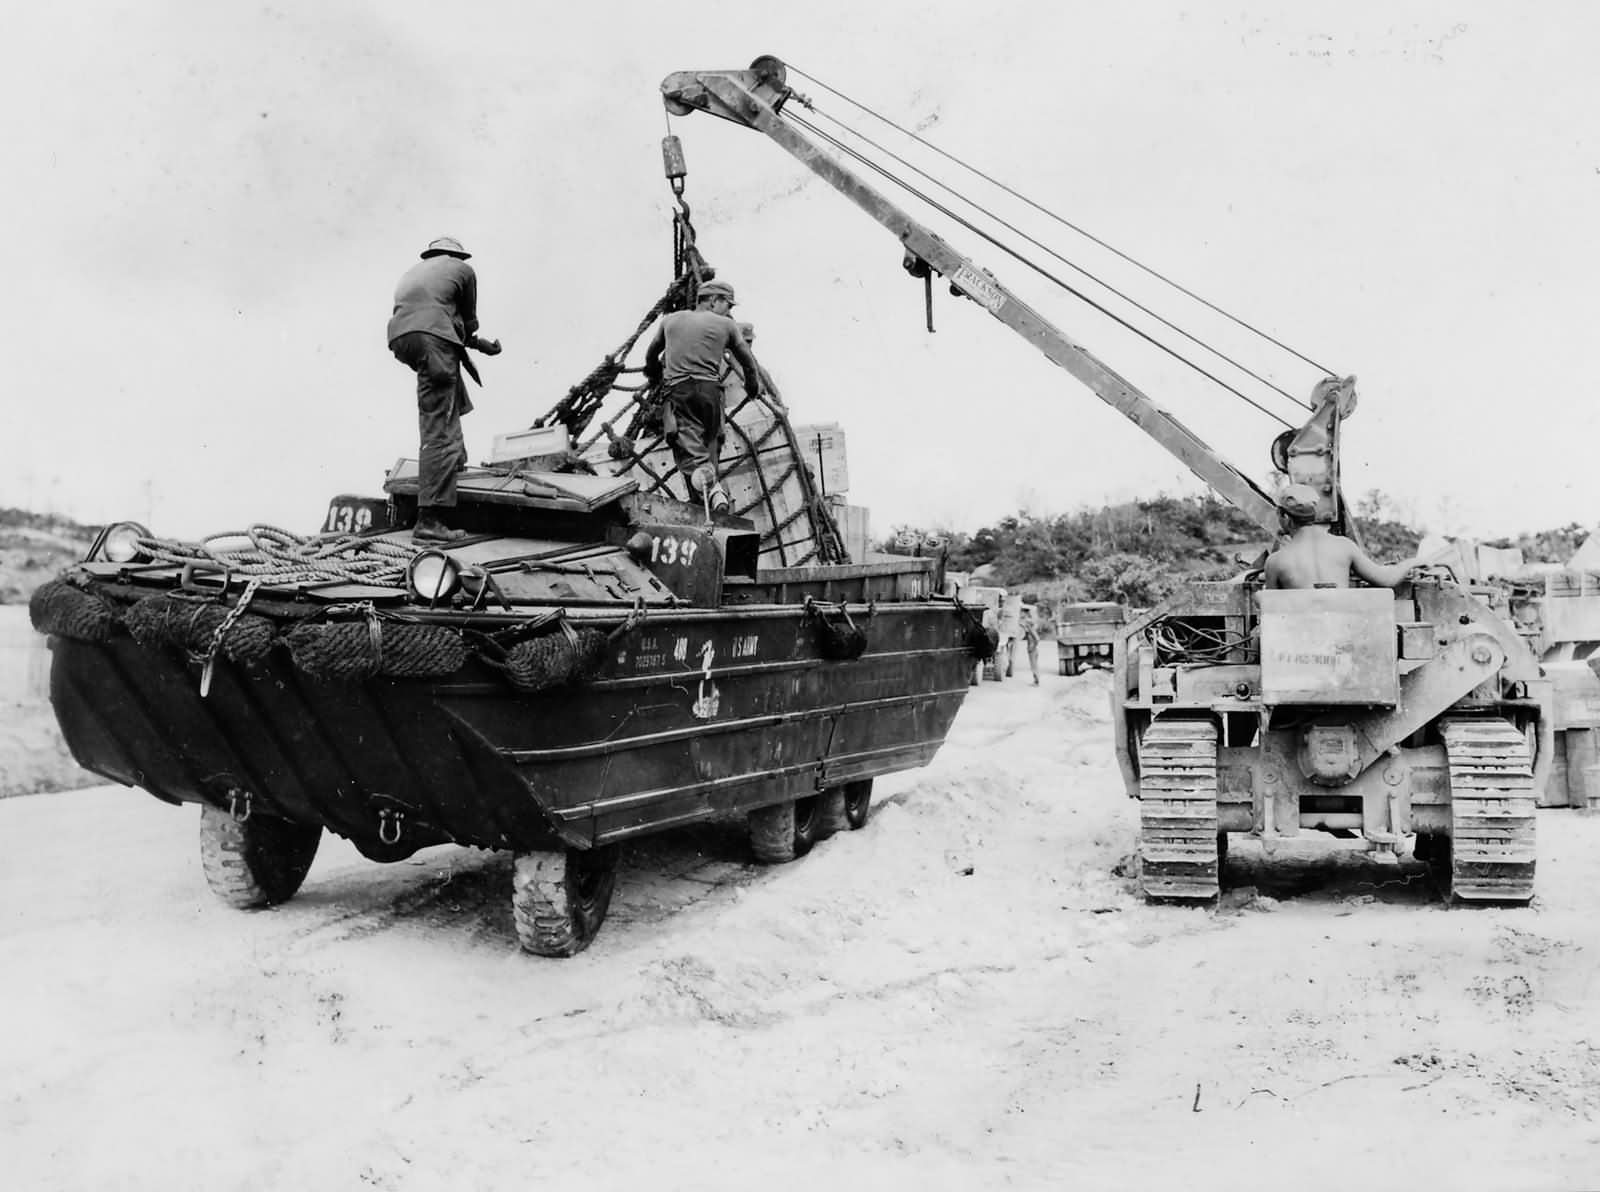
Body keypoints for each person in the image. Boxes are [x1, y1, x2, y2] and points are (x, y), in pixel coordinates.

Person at [387, 236, 502, 544]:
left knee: (445, 395)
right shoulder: (462, 270)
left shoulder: (414, 273)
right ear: (456, 255)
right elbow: (467, 324)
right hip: (434, 339)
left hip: (403, 340)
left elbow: (444, 325)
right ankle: (431, 520)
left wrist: (475, 345)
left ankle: (457, 462)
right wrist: (484, 344)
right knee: (439, 427)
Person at [643, 279, 760, 513]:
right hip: (711, 392)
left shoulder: (669, 321)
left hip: (679, 392)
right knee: (712, 443)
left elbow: (651, 354)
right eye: (728, 305)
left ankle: (710, 493)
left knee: (686, 445)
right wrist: (753, 387)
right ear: (714, 301)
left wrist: (655, 373)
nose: (730, 311)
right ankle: (711, 498)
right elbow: (748, 362)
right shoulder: (727, 326)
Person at [1264, 484, 1422, 589]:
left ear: (1284, 516)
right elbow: (1387, 579)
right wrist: (1412, 562)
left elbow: (1271, 608)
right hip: (1342, 632)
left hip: (1302, 634)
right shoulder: (1344, 546)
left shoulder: (1276, 561)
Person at [720, 322, 787, 414]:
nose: (746, 346)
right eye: (743, 341)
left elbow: (776, 396)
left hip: (755, 418)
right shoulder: (719, 368)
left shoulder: (760, 371)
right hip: (731, 418)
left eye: (749, 341)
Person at [1019, 606, 1041, 685]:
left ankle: (1036, 681)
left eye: (1022, 612)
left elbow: (1037, 639)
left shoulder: (1030, 627)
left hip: (1032, 649)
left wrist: (1033, 647)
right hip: (1032, 649)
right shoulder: (1030, 624)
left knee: (1034, 666)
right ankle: (1036, 681)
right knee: (1034, 666)